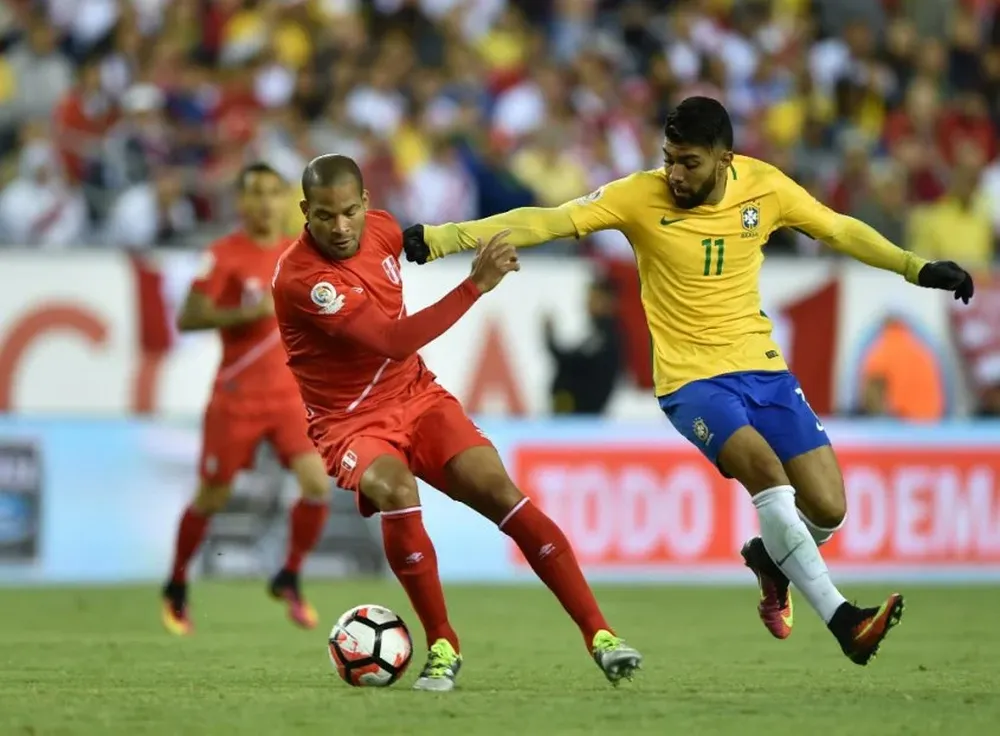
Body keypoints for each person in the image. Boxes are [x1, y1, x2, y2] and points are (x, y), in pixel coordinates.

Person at [401, 97, 975, 666]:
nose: (674, 173)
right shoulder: (637, 196)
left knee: (828, 508)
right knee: (765, 473)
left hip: (764, 370)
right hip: (692, 382)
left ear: (726, 158)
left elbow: (837, 229)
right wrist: (445, 237)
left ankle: (772, 563)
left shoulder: (765, 188)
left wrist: (914, 267)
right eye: (669, 158)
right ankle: (844, 620)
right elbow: (546, 221)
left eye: (690, 162)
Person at [270, 154, 642, 692]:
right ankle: (443, 643)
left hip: (418, 397)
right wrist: (475, 285)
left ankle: (602, 636)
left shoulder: (382, 230)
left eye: (350, 211)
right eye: (325, 216)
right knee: (395, 487)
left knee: (500, 492)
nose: (341, 227)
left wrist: (461, 238)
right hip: (350, 423)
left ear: (367, 205)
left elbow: (430, 240)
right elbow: (392, 340)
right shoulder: (304, 279)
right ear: (305, 212)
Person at [162, 163, 331, 636]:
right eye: (254, 193)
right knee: (212, 496)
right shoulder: (224, 255)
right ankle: (176, 584)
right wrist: (246, 312)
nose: (264, 202)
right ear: (240, 202)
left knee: (317, 483)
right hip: (236, 398)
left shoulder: (301, 254)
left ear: (286, 201)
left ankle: (291, 575)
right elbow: (188, 317)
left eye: (273, 193)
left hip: (287, 398)